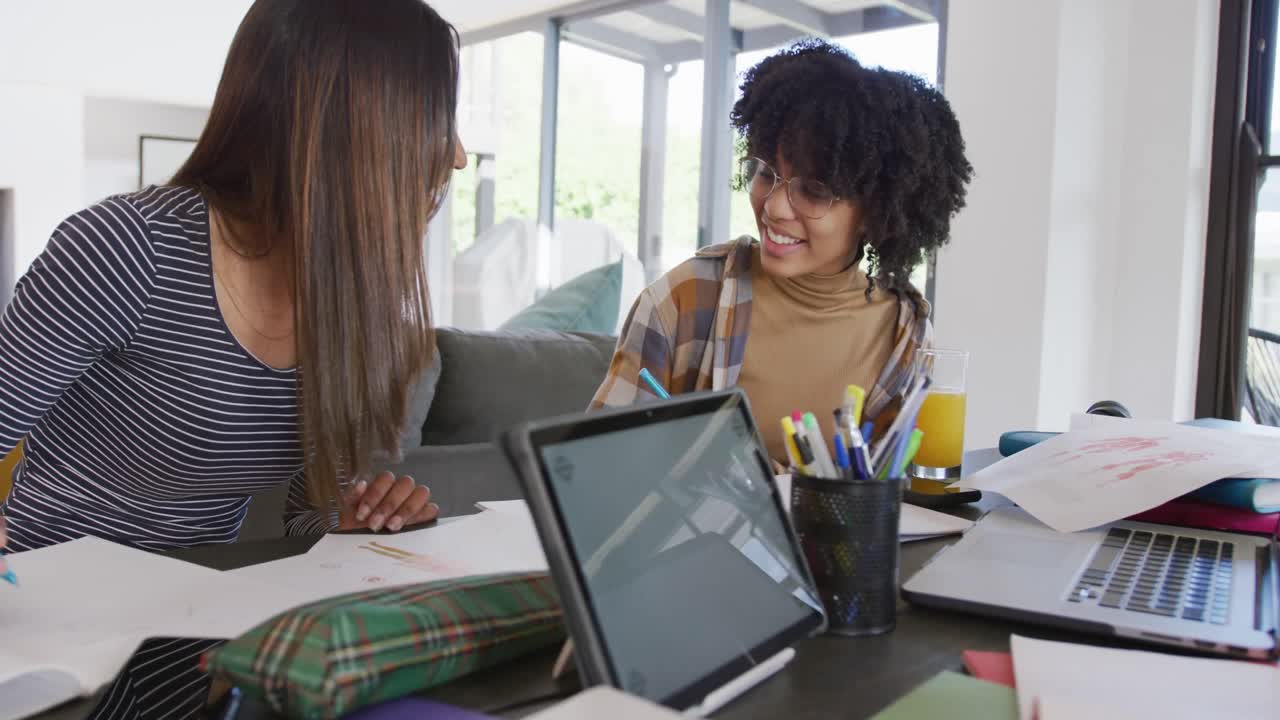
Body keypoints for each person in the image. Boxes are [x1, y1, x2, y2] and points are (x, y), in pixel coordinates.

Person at [0, 1, 463, 717]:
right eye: (438, 116)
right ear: (355, 125)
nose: (456, 152)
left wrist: (358, 522)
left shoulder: (352, 300)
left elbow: (310, 516)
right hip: (50, 650)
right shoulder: (128, 251)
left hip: (199, 637)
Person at [592, 40, 973, 465]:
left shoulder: (903, 334)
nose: (772, 206)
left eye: (812, 191)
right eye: (764, 173)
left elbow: (888, 496)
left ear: (875, 212)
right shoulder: (684, 300)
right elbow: (602, 467)